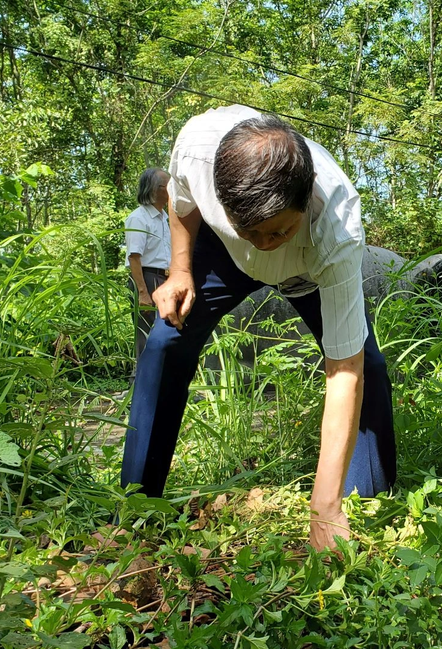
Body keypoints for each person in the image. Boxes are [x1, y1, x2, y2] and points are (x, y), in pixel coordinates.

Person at [121, 106, 397, 551]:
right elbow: (180, 199)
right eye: (253, 232)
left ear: (306, 199)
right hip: (223, 252)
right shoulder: (196, 151)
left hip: (306, 270)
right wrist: (180, 269)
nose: (265, 248)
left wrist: (320, 506)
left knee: (369, 367)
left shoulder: (337, 226)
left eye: (277, 233)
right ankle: (135, 509)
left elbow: (343, 368)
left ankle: (360, 506)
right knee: (164, 343)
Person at [124, 168, 171, 381]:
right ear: (154, 190)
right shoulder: (138, 218)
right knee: (145, 334)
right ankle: (139, 383)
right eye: (167, 185)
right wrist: (142, 292)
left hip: (164, 279)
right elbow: (134, 258)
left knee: (164, 333)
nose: (172, 190)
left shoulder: (163, 218)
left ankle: (160, 380)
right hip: (146, 278)